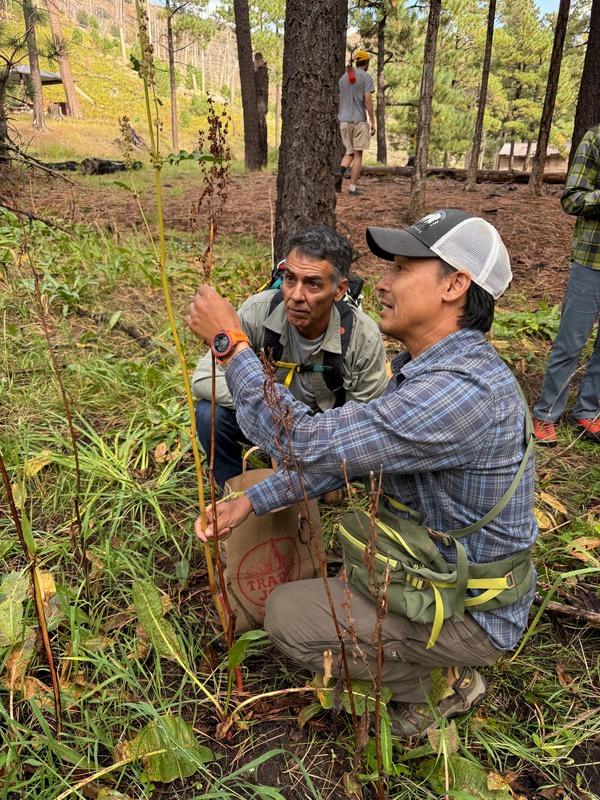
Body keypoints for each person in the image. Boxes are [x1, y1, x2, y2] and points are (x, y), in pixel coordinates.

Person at [186, 209, 538, 737]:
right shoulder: (437, 371)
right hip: (435, 574)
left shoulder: (459, 393)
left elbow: (301, 440)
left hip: (468, 609)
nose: (383, 282)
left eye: (401, 268)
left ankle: (438, 683)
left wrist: (229, 344)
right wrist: (253, 501)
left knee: (287, 616)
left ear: (455, 285)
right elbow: (345, 457)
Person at [192, 224, 388, 487]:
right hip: (266, 421)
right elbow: (204, 379)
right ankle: (231, 488)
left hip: (323, 436)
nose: (295, 296)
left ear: (340, 290)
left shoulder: (362, 337)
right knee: (209, 413)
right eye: (290, 279)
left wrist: (319, 451)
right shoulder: (258, 312)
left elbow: (362, 425)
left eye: (313, 284)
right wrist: (277, 412)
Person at [532, 124, 600, 445]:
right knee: (571, 341)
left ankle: (588, 410)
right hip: (592, 259)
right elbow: (572, 199)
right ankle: (546, 414)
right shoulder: (596, 138)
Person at [335, 49, 376, 197]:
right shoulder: (366, 77)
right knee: (358, 155)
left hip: (344, 121)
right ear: (367, 63)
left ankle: (339, 173)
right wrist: (372, 121)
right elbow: (368, 99)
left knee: (349, 152)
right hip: (358, 121)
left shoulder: (343, 78)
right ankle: (352, 187)